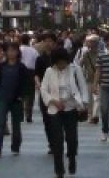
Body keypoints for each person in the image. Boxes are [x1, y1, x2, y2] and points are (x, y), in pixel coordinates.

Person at [40, 46, 88, 178]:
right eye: (59, 62)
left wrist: (84, 103)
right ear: (55, 62)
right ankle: (59, 170)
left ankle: (72, 158)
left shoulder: (74, 69)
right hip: (55, 109)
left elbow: (83, 86)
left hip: (71, 108)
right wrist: (54, 101)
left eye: (64, 62)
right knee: (57, 140)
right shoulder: (49, 71)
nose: (62, 65)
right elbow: (43, 90)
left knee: (72, 139)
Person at [0, 42, 30, 157]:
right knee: (0, 123)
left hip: (16, 100)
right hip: (2, 97)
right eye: (9, 50)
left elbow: (26, 84)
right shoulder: (2, 66)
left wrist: (23, 97)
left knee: (16, 124)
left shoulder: (21, 67)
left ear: (17, 52)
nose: (11, 53)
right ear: (6, 52)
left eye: (13, 50)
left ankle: (15, 146)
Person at [35, 32, 58, 153]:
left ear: (55, 43)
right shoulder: (40, 58)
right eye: (46, 41)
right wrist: (38, 84)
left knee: (57, 118)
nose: (48, 44)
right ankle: (51, 143)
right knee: (47, 119)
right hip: (44, 93)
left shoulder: (59, 58)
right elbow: (36, 74)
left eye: (50, 41)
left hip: (58, 92)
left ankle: (57, 141)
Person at [19, 33, 39, 123]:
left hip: (20, 72)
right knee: (30, 94)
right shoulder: (33, 50)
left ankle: (20, 115)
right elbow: (37, 61)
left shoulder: (18, 49)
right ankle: (28, 115)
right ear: (28, 41)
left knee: (20, 93)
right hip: (31, 72)